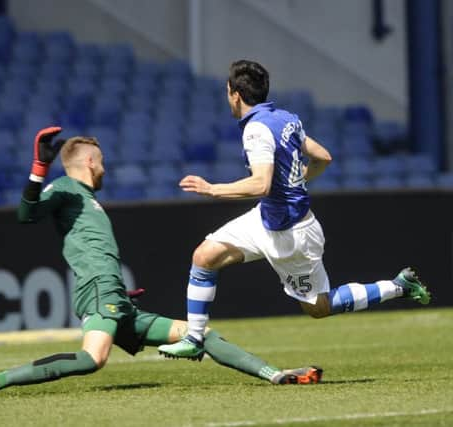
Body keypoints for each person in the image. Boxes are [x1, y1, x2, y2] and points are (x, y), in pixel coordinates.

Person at [0, 127, 322, 397]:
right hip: (101, 293)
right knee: (92, 359)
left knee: (198, 333)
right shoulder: (67, 188)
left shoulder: (83, 197)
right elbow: (27, 214)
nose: (104, 169)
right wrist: (39, 167)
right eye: (100, 162)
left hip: (117, 299)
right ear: (89, 161)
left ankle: (276, 375)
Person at [157, 60, 431, 360]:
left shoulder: (256, 130)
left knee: (318, 308)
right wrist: (296, 179)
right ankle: (195, 338)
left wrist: (213, 189)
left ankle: (397, 286)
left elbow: (261, 184)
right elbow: (323, 157)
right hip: (266, 219)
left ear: (235, 94)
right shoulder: (285, 118)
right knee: (204, 256)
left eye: (227, 92)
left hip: (293, 235)